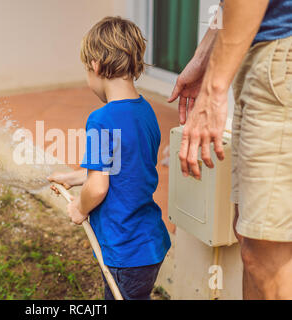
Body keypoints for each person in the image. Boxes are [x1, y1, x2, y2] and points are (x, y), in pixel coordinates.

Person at [168, 0, 292, 299]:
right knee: (252, 241)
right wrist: (204, 60)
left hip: (279, 58)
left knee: (267, 257)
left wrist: (213, 91)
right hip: (263, 58)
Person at [48, 16, 171, 300]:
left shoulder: (101, 119)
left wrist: (80, 207)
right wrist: (71, 178)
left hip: (124, 249)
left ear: (95, 66)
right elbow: (123, 167)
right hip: (150, 242)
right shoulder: (147, 112)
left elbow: (99, 186)